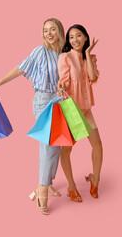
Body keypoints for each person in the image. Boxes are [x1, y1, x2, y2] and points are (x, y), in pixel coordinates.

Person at [0, 18, 65, 215]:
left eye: (52, 29)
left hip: (61, 101)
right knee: (48, 144)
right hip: (43, 101)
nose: (48, 33)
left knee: (58, 144)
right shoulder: (40, 51)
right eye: (45, 30)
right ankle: (41, 190)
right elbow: (21, 68)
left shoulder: (63, 55)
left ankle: (48, 182)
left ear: (59, 32)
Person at [58, 24, 103, 202]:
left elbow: (92, 78)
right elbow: (63, 80)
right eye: (71, 37)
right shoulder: (65, 57)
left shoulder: (90, 57)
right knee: (67, 150)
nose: (74, 40)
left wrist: (86, 54)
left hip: (86, 110)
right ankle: (71, 186)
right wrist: (61, 85)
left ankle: (95, 179)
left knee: (98, 145)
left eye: (78, 36)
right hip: (72, 111)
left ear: (85, 37)